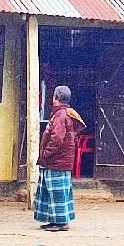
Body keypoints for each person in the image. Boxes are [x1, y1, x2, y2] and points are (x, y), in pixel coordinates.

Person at [34, 85, 85, 232]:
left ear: (55, 97)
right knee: (54, 191)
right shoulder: (63, 114)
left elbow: (57, 138)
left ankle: (61, 222)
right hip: (60, 160)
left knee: (56, 192)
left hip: (57, 160)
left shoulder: (60, 115)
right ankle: (54, 220)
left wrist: (46, 154)